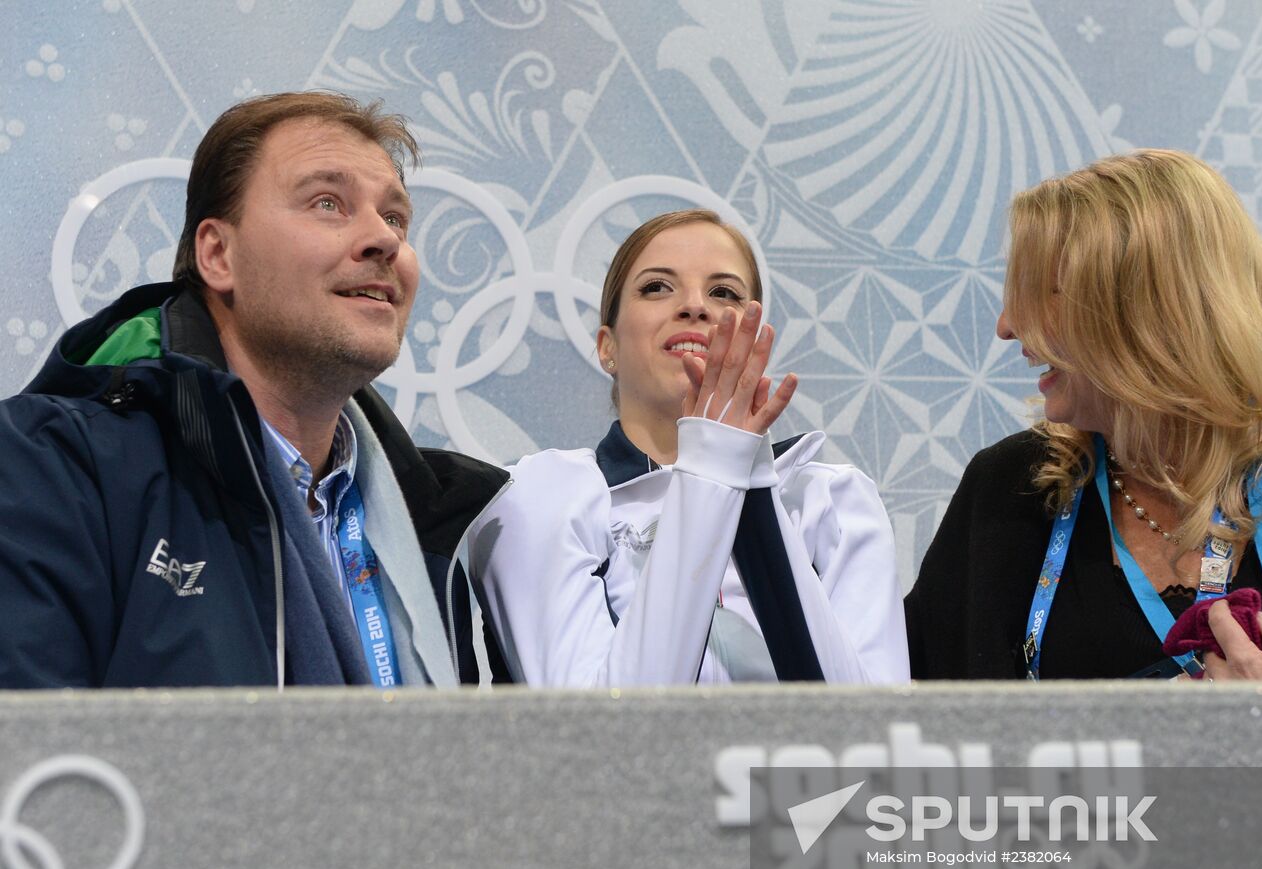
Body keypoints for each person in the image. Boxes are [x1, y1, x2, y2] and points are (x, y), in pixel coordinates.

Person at [0, 91, 507, 688]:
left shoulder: (445, 522)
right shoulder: (55, 469)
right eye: (328, 203)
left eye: (395, 217)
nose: (384, 240)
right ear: (218, 255)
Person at [906, 149, 1262, 681]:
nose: (1006, 326)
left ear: (1149, 311)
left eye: (1043, 295)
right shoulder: (1007, 490)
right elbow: (923, 716)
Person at [468, 210, 909, 685]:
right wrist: (714, 466)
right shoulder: (541, 493)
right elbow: (601, 721)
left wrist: (751, 486)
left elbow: (867, 721)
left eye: (724, 293)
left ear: (753, 338)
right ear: (607, 346)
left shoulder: (833, 501)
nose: (695, 306)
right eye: (657, 287)